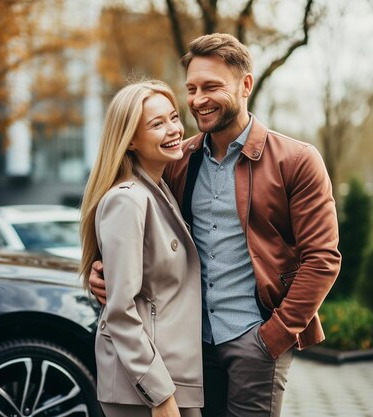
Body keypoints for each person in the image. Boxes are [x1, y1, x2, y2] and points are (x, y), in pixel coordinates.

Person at [89, 33, 341, 417]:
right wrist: (103, 273)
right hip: (188, 347)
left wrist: (273, 337)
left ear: (246, 85)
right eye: (191, 88)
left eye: (211, 86)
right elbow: (139, 235)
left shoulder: (297, 160)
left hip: (254, 343)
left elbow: (322, 259)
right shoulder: (178, 160)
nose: (198, 99)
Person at [79, 80, 203, 417]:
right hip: (144, 387)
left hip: (169, 376)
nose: (173, 130)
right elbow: (121, 310)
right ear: (131, 140)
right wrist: (159, 395)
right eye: (157, 124)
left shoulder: (159, 192)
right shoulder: (127, 201)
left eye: (174, 118)